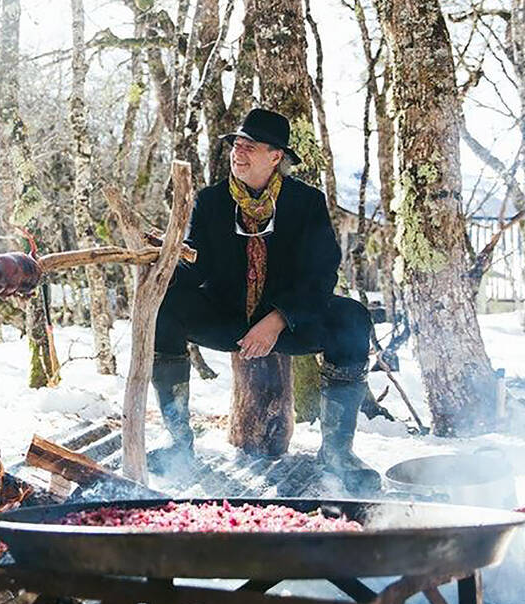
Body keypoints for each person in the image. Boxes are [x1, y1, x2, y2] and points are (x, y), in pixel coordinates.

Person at [150, 108, 380, 492]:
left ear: (276, 156)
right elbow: (197, 268)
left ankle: (338, 452)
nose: (238, 153)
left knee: (352, 319)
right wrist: (166, 258)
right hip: (229, 318)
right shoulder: (210, 201)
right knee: (165, 310)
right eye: (236, 145)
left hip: (288, 322)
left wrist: (278, 319)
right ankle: (178, 442)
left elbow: (321, 275)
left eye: (250, 146)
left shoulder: (306, 202)